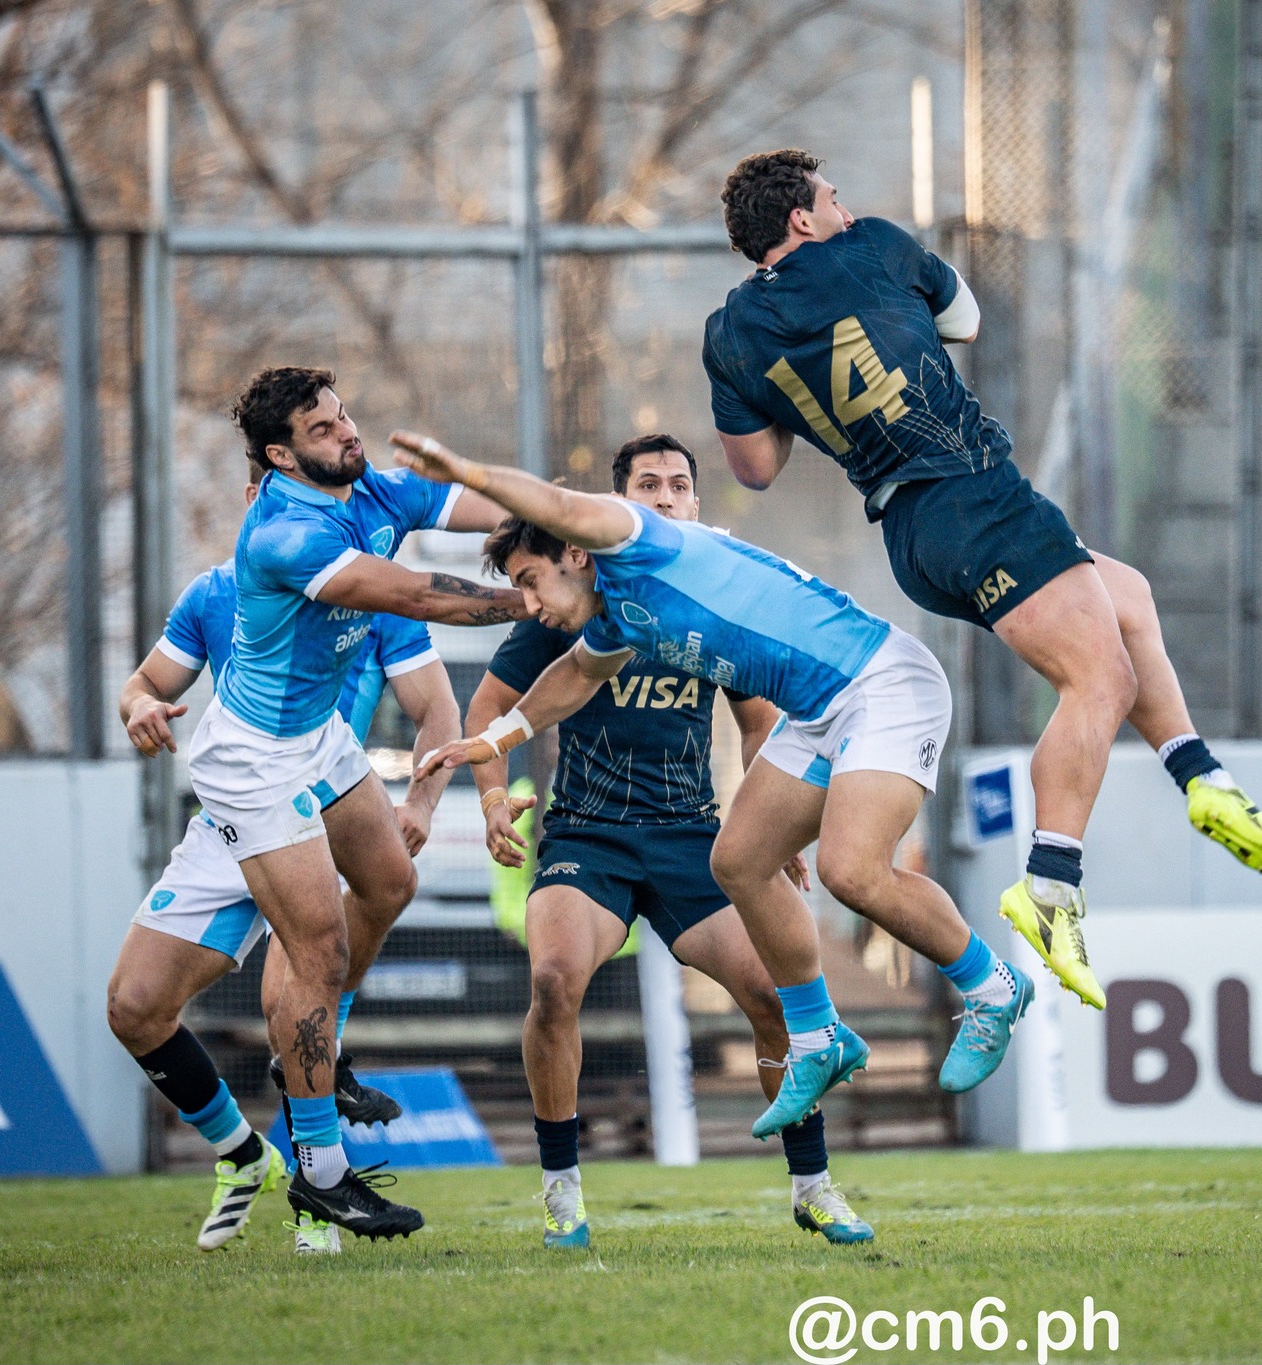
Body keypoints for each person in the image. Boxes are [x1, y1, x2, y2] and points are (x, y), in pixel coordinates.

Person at [701, 150, 1262, 1013]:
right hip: (972, 493)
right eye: (833, 197)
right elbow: (966, 319)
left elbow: (756, 465)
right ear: (802, 220)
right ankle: (1051, 882)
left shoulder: (729, 334)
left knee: (1123, 598)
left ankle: (1201, 777)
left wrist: (801, 389)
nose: (845, 206)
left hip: (912, 538)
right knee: (1099, 677)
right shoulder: (871, 245)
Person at [388, 430, 1034, 1158]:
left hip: (882, 684)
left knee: (851, 871)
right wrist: (495, 742)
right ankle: (818, 1035)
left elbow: (559, 503)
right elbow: (573, 678)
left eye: (531, 580)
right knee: (739, 859)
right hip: (819, 709)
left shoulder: (636, 537)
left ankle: (991, 985)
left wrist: (470, 469)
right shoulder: (623, 613)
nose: (527, 602)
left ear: (575, 551)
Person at [461, 433, 874, 1250]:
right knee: (552, 981)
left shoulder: (713, 601)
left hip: (692, 835)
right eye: (646, 484)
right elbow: (485, 713)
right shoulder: (573, 590)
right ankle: (561, 1193)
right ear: (619, 504)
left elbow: (761, 727)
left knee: (774, 995)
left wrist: (777, 824)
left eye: (678, 485)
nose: (663, 495)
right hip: (587, 835)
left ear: (694, 504)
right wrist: (489, 797)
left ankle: (814, 1186)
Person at [183, 367, 528, 1246]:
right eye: (322, 426)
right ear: (280, 455)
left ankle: (311, 1055)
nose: (346, 431)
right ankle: (324, 1177)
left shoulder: (371, 482)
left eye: (343, 414)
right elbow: (414, 594)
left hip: (320, 741)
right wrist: (531, 601)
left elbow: (479, 504)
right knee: (318, 951)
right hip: (252, 762)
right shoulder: (287, 535)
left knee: (389, 882)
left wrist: (592, 521)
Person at [110, 462, 461, 1255]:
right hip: (238, 808)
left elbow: (436, 705)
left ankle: (318, 1193)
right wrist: (139, 707)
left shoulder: (364, 583)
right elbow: (143, 681)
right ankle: (243, 1156)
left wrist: (420, 802)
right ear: (255, 503)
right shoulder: (216, 592)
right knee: (133, 1006)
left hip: (325, 811)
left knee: (300, 977)